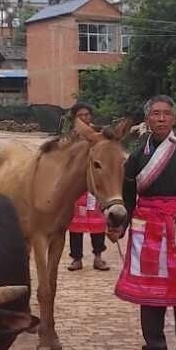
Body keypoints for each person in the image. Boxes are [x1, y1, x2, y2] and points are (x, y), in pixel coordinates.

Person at [114, 95, 176, 350]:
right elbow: (127, 194)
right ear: (147, 119)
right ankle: (153, 347)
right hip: (147, 227)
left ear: (174, 118)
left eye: (166, 114)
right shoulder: (139, 155)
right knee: (148, 290)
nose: (161, 118)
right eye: (155, 114)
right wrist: (121, 224)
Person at [66, 103, 108, 272]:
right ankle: (76, 259)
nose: (84, 118)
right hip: (77, 186)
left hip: (95, 184)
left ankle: (98, 257)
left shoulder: (99, 135)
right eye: (80, 115)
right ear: (75, 118)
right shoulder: (69, 138)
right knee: (75, 224)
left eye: (87, 114)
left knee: (98, 222)